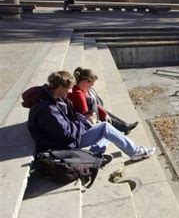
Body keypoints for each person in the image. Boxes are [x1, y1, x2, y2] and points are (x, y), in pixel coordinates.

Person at [27, 71, 155, 161]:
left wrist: (85, 119)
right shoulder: (48, 109)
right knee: (105, 127)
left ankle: (95, 153)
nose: (70, 91)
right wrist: (87, 123)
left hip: (67, 137)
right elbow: (66, 133)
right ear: (60, 87)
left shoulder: (56, 98)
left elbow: (73, 116)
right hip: (63, 143)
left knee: (104, 126)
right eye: (69, 88)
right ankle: (135, 152)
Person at [68, 67, 138, 135]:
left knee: (103, 111)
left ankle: (125, 127)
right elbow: (85, 111)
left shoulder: (79, 89)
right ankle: (124, 127)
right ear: (86, 81)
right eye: (92, 83)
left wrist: (104, 113)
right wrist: (103, 114)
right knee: (94, 103)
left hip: (88, 116)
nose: (93, 85)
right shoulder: (79, 94)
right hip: (89, 121)